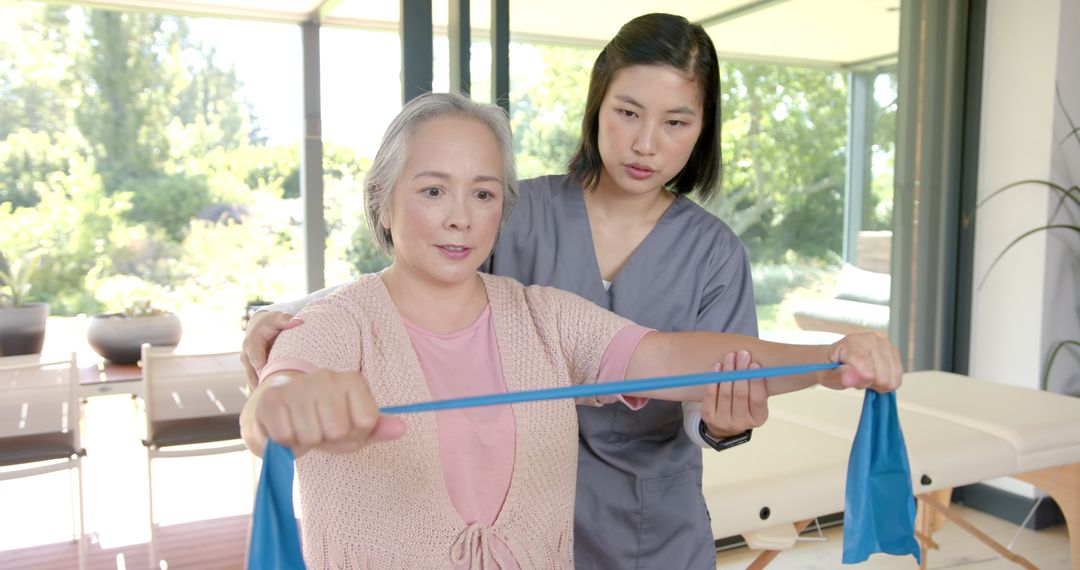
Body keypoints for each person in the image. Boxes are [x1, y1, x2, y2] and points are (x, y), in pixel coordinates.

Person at [240, 91, 902, 569]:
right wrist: (283, 403)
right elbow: (273, 400)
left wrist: (828, 361)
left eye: (484, 193)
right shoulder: (337, 323)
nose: (460, 218)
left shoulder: (543, 316)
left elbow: (669, 354)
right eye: (433, 190)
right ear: (383, 200)